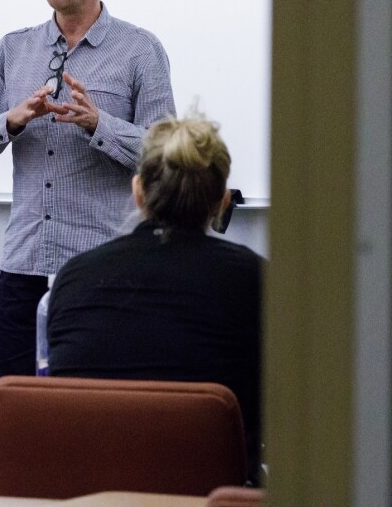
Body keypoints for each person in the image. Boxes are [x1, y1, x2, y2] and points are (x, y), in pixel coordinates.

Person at [0, 0, 176, 382]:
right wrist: (10, 120)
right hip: (23, 266)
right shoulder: (12, 51)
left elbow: (168, 157)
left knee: (94, 415)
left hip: (102, 268)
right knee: (12, 407)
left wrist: (98, 124)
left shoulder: (139, 52)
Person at [47, 114, 264, 484]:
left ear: (138, 191)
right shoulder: (257, 280)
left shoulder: (73, 279)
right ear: (222, 201)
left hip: (92, 496)